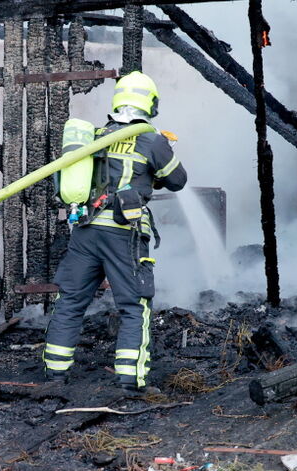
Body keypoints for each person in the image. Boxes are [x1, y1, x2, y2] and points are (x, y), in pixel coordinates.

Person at [43, 71, 187, 391]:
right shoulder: (152, 139)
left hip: (86, 229)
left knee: (70, 301)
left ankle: (54, 373)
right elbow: (178, 180)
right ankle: (129, 380)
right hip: (124, 232)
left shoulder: (96, 134)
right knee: (134, 305)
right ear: (149, 103)